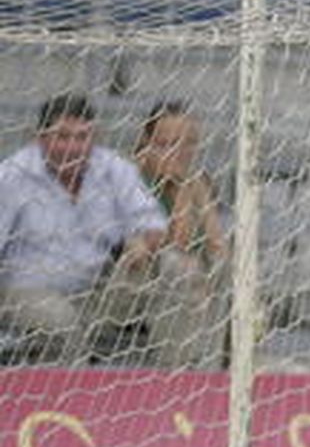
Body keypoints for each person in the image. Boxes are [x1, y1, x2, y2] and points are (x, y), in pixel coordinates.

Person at [0, 93, 167, 364]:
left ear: (95, 136)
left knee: (174, 266)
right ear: (39, 137)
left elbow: (153, 223)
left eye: (82, 137)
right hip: (26, 293)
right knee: (60, 320)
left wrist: (140, 242)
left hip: (97, 292)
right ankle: (79, 396)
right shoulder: (11, 175)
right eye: (63, 137)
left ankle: (186, 381)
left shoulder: (113, 167)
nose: (73, 147)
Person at [129, 100, 230, 367]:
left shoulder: (197, 179)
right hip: (137, 282)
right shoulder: (131, 179)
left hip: (194, 287)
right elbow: (178, 240)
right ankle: (175, 371)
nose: (178, 152)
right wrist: (179, 186)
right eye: (166, 143)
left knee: (228, 268)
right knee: (178, 264)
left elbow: (217, 244)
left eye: (187, 144)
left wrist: (190, 184)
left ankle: (213, 366)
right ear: (146, 142)